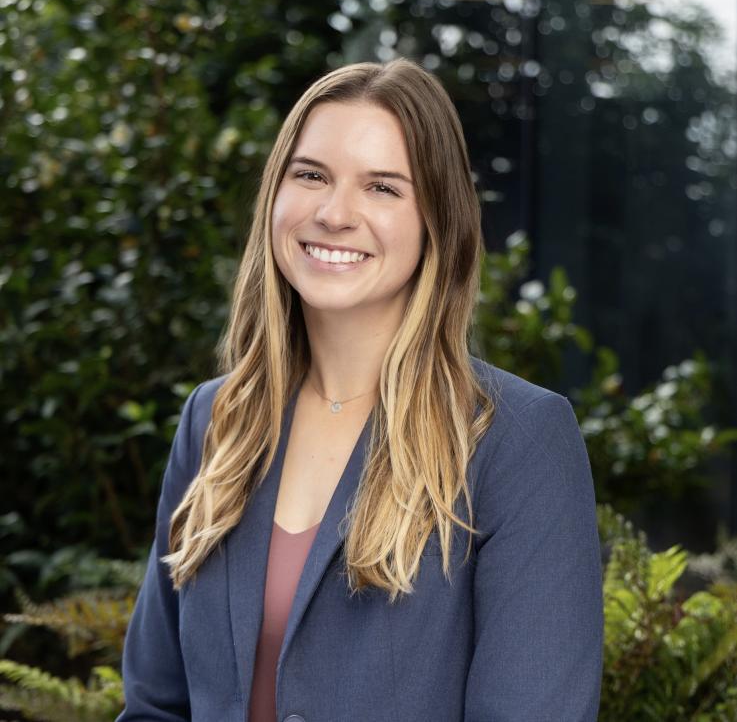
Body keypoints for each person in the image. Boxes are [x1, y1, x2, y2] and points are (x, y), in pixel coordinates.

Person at [117, 57, 604, 722]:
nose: (334, 212)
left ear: (436, 219)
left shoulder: (515, 438)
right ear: (275, 195)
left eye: (382, 187)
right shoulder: (216, 419)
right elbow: (154, 705)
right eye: (311, 174)